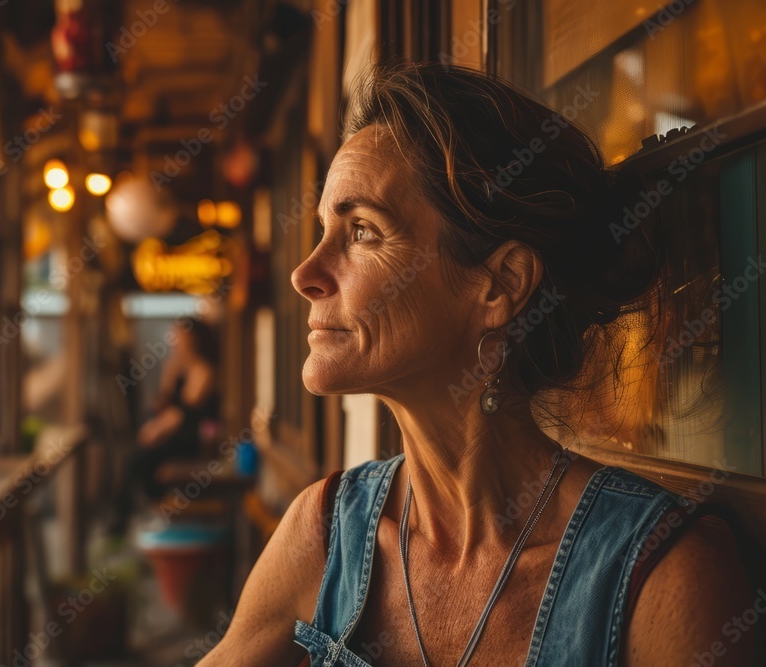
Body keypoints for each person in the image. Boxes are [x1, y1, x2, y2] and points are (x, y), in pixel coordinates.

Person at [198, 63, 757, 666]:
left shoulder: (663, 581)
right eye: (323, 229)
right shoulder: (325, 532)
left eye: (361, 231)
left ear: (499, 284)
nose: (304, 274)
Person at [111, 316, 220, 536]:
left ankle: (133, 518)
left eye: (180, 335)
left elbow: (183, 413)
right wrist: (169, 372)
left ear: (193, 338)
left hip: (194, 435)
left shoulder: (203, 370)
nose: (175, 340)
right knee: (138, 457)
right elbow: (162, 404)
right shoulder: (181, 367)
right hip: (177, 431)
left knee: (139, 460)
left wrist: (156, 429)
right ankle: (147, 511)